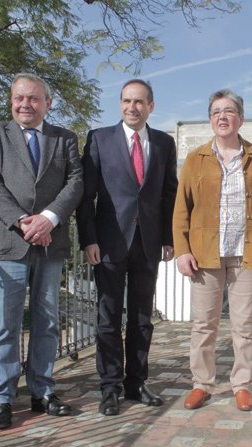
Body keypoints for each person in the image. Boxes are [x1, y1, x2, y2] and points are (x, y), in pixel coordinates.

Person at [0, 73, 83, 429]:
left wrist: (49, 219)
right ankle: (2, 399)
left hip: (50, 243)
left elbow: (75, 182)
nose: (25, 104)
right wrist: (23, 221)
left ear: (48, 103)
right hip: (8, 244)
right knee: (6, 326)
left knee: (47, 321)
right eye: (19, 98)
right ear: (11, 101)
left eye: (34, 99)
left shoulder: (64, 138)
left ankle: (42, 392)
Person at [76, 79, 178, 416]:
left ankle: (136, 382)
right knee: (107, 319)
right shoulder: (99, 139)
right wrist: (88, 238)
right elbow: (85, 195)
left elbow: (168, 195)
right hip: (107, 244)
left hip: (148, 244)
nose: (131, 107)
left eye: (139, 102)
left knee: (141, 318)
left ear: (151, 105)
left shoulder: (164, 143)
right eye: (126, 101)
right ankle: (109, 386)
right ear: (119, 103)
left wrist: (168, 238)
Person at [172, 89, 252, 411]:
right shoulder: (196, 159)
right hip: (205, 255)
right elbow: (181, 208)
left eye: (229, 111)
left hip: (248, 254)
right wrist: (182, 250)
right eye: (216, 111)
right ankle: (202, 384)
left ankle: (242, 384)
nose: (223, 116)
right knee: (204, 324)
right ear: (210, 119)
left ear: (241, 118)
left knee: (245, 324)